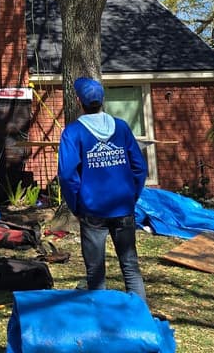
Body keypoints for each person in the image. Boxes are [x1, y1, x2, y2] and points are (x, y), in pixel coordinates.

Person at [58, 77, 149, 303]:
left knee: (95, 270)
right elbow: (139, 167)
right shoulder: (121, 127)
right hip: (123, 207)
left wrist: (76, 205)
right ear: (103, 100)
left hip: (92, 210)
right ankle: (141, 319)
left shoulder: (73, 132)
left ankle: (102, 322)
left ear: (78, 101)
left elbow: (68, 175)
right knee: (130, 265)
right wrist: (131, 196)